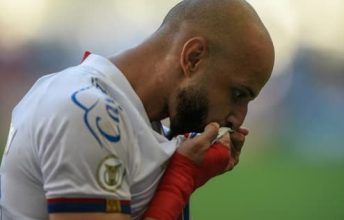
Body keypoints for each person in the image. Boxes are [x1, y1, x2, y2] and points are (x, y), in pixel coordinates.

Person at [0, 0, 274, 219]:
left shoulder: (136, 118)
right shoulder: (86, 112)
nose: (238, 118)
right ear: (193, 58)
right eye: (237, 94)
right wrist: (181, 178)